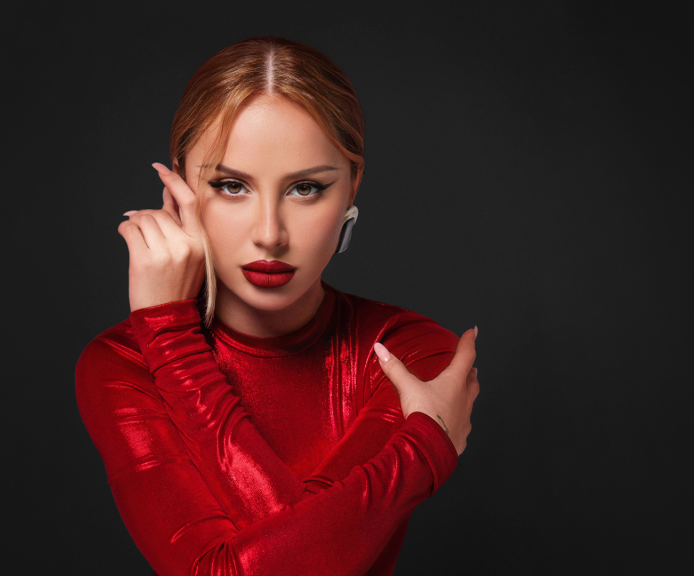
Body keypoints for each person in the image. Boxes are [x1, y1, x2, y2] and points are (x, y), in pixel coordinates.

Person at [75, 36, 480, 576]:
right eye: (231, 185)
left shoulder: (408, 356)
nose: (270, 234)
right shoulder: (123, 365)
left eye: (306, 188)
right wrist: (424, 452)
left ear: (353, 186)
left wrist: (169, 342)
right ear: (180, 187)